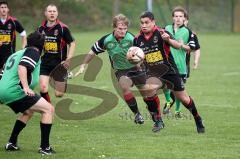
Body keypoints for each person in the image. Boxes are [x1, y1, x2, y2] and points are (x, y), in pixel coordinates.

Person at [75, 14, 163, 132]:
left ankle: (156, 118)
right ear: (114, 28)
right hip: (121, 71)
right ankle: (137, 114)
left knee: (147, 95)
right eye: (120, 29)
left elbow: (142, 52)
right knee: (124, 86)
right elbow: (92, 51)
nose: (123, 31)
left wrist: (140, 61)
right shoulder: (106, 40)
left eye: (125, 29)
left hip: (137, 69)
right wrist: (83, 65)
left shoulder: (132, 38)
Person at [133, 11, 205, 133]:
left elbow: (178, 46)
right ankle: (158, 121)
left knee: (184, 99)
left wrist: (169, 40)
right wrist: (135, 61)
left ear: (153, 22)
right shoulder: (137, 39)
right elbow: (139, 60)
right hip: (153, 73)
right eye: (142, 23)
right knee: (148, 90)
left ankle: (197, 118)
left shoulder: (162, 33)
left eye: (147, 22)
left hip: (169, 71)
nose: (144, 25)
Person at [0, 31, 55, 155]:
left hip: (4, 90)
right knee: (48, 109)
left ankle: (12, 143)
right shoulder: (33, 51)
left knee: (28, 111)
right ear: (41, 45)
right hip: (15, 90)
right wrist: (25, 87)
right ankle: (45, 147)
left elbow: (3, 73)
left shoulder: (17, 53)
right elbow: (22, 67)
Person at [162, 6, 198, 117]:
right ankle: (168, 101)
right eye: (176, 16)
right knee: (164, 85)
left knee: (178, 91)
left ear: (184, 18)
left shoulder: (188, 32)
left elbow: (193, 48)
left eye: (180, 16)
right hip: (166, 63)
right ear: (172, 18)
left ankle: (177, 110)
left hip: (180, 66)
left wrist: (181, 45)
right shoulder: (165, 28)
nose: (178, 18)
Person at [37, 4, 76, 103]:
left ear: (57, 13)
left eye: (54, 11)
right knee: (43, 88)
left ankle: (63, 76)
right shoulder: (40, 29)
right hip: (45, 63)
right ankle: (48, 109)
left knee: (59, 94)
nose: (52, 13)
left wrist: (69, 58)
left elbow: (72, 43)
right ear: (45, 13)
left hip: (59, 64)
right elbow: (37, 45)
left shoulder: (63, 28)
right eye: (50, 11)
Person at [0, 1, 27, 72]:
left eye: (5, 7)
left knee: (6, 72)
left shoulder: (13, 21)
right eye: (2, 7)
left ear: (8, 9)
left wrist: (23, 46)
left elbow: (23, 33)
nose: (3, 9)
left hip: (9, 53)